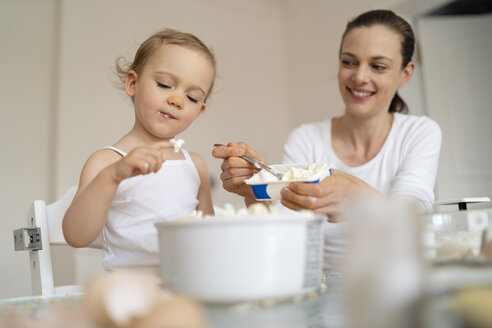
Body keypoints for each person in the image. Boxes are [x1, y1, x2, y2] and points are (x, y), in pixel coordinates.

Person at [212, 10, 442, 268]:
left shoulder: (420, 133)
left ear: (405, 74)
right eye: (349, 62)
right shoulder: (305, 139)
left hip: (392, 284)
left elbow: (415, 218)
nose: (360, 77)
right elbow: (285, 238)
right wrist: (256, 191)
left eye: (377, 66)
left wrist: (359, 199)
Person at [63, 29, 216, 274]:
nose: (177, 100)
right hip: (129, 292)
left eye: (192, 97)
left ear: (198, 111)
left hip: (184, 289)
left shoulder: (195, 166)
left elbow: (209, 242)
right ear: (133, 83)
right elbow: (76, 236)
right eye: (165, 85)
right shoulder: (106, 162)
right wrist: (112, 176)